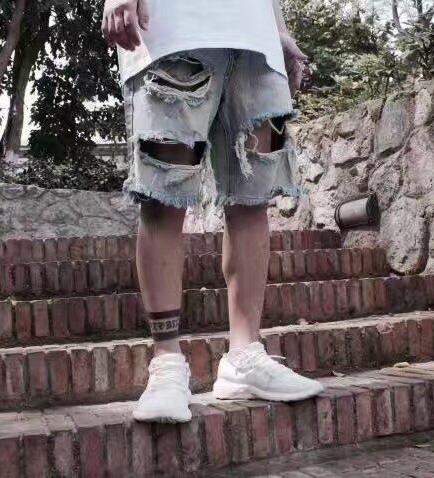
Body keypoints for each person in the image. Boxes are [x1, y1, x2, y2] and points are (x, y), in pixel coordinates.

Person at [102, 0, 324, 423]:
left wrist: (279, 30)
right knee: (163, 199)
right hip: (172, 33)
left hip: (258, 47)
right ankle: (167, 364)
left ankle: (244, 355)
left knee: (253, 200)